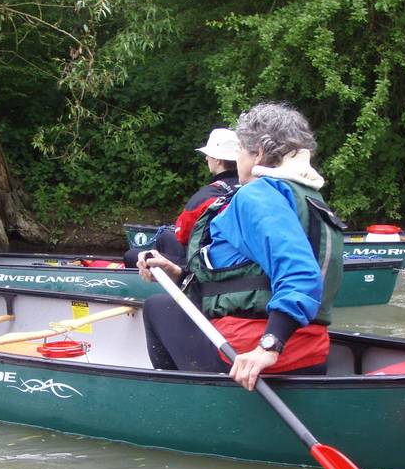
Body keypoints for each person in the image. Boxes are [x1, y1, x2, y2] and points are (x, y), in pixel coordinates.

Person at [137, 102, 345, 391]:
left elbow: (300, 273)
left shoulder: (257, 195)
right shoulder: (308, 197)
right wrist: (177, 273)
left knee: (157, 307)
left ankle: (183, 405)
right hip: (311, 352)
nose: (237, 159)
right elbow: (247, 278)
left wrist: (268, 347)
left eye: (239, 151)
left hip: (252, 354)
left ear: (257, 153)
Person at [124, 128, 240, 267]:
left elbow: (182, 235)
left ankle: (160, 278)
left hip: (205, 264)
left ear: (217, 159)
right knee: (165, 237)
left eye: (208, 155)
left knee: (131, 255)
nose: (206, 158)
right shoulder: (249, 188)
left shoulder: (207, 195)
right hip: (231, 256)